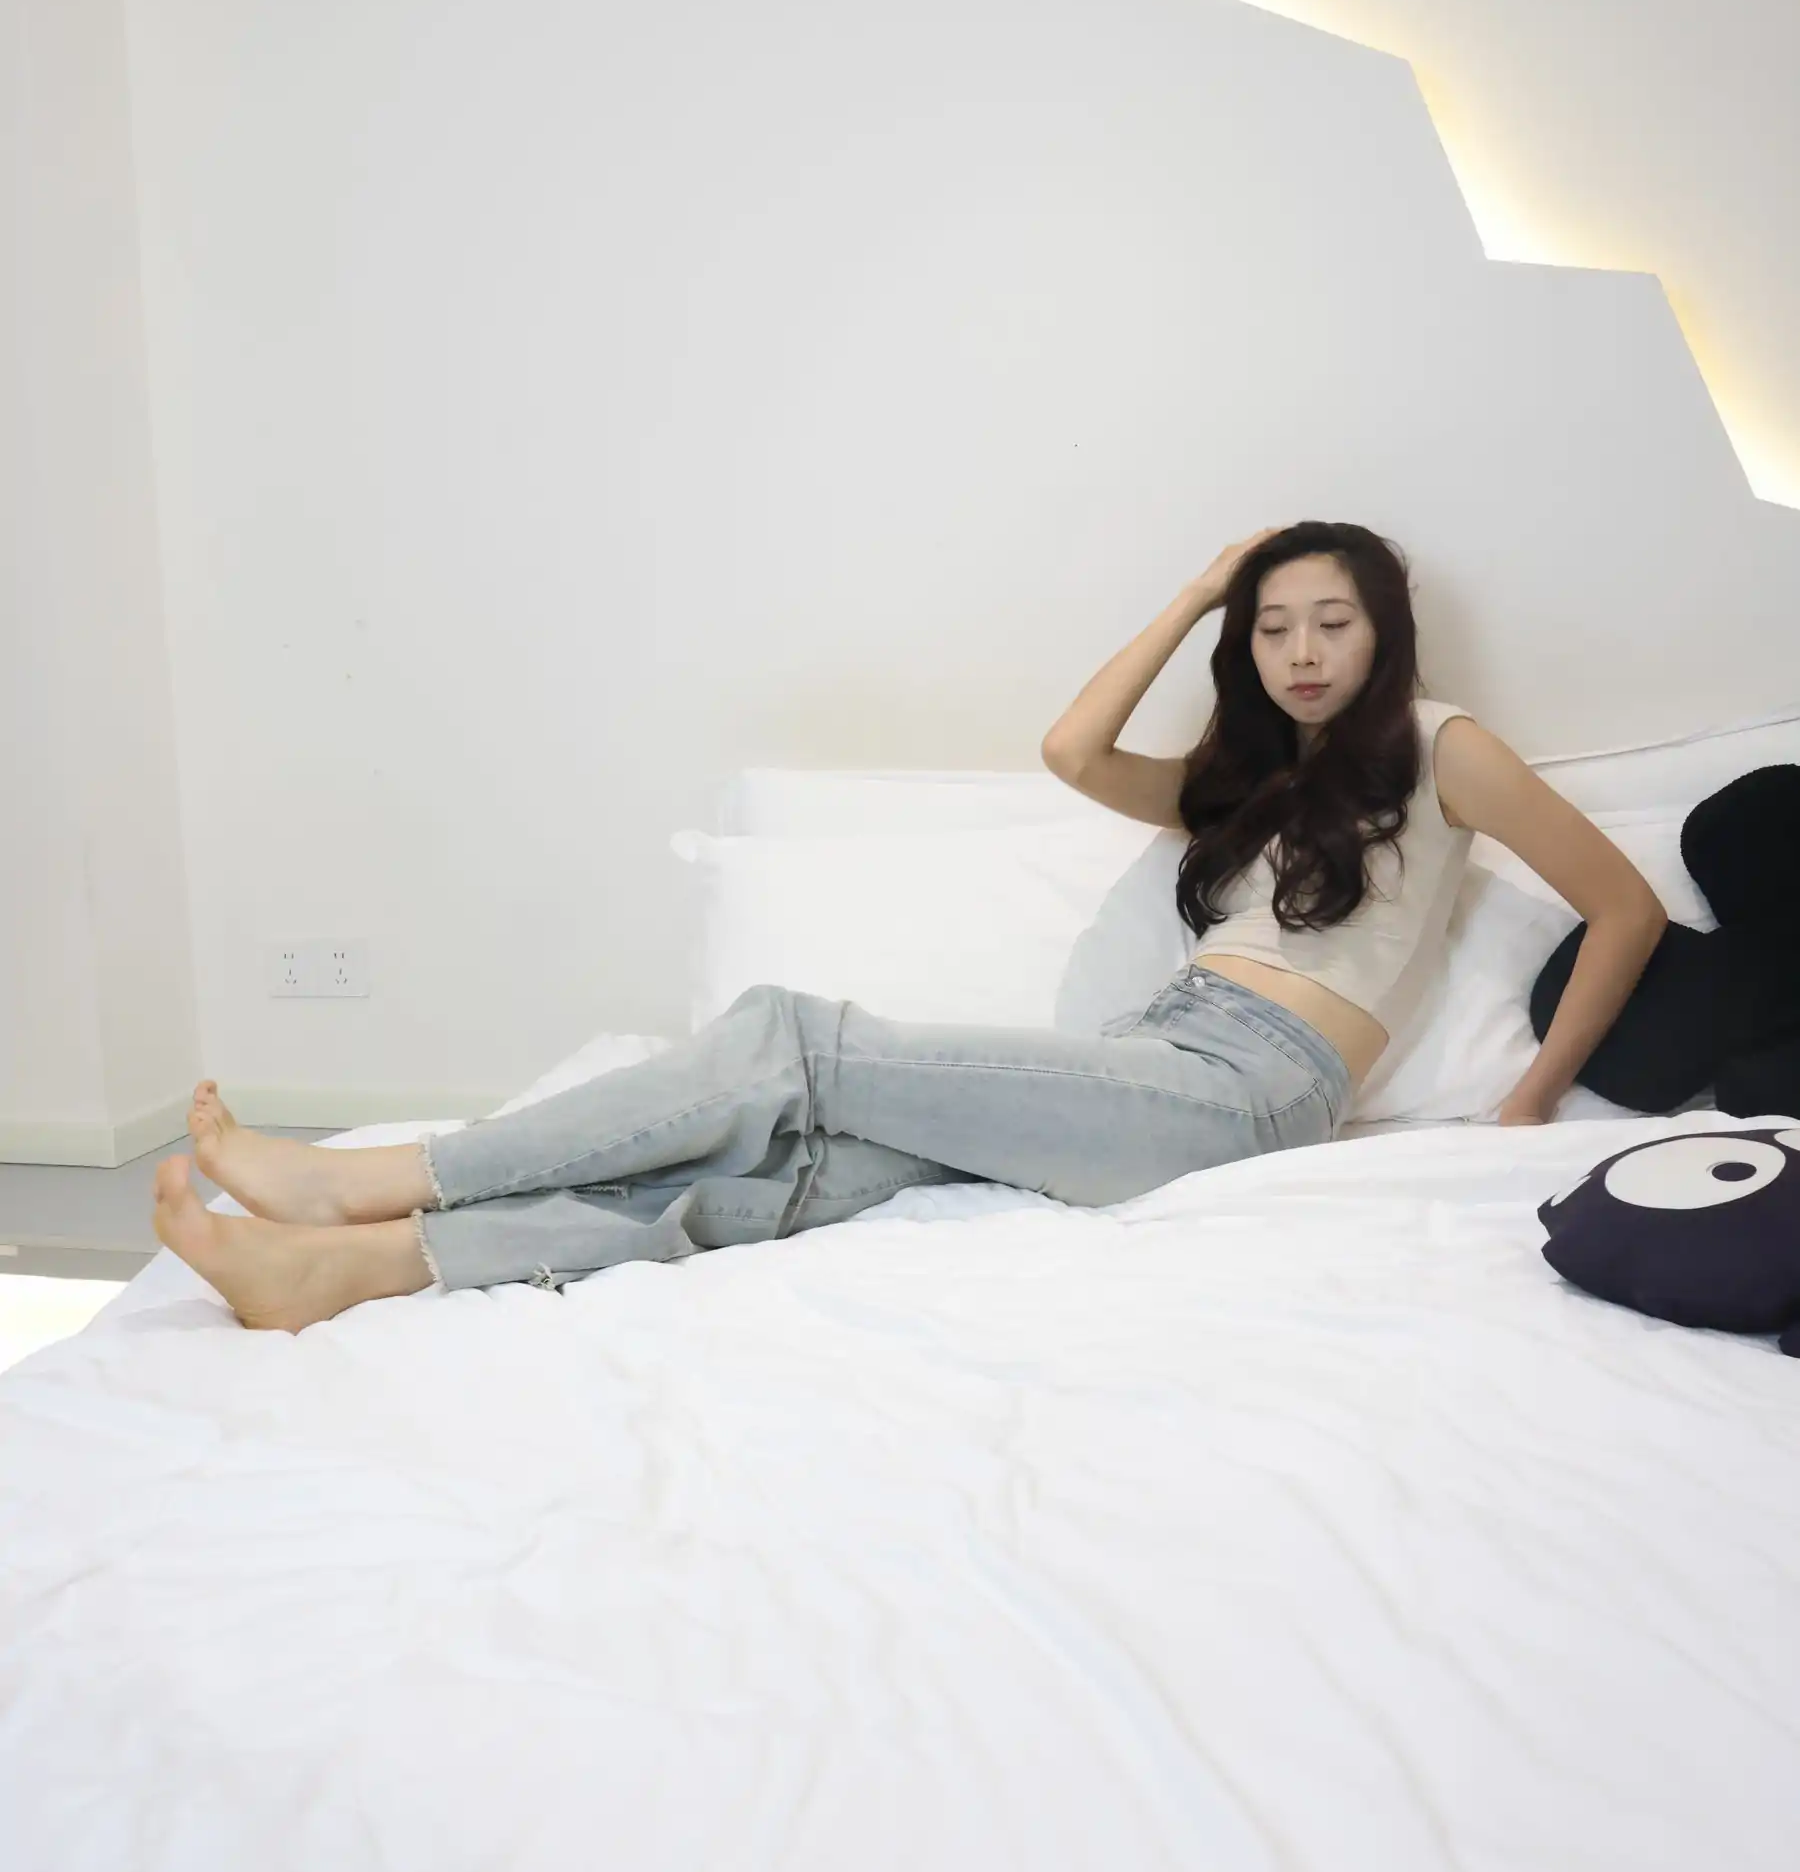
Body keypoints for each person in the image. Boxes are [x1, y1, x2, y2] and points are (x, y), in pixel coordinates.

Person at [151, 519, 1668, 1333]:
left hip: (1250, 1091)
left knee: (788, 1043)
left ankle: (372, 1178)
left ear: (1385, 626)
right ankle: (367, 1268)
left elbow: (1625, 905)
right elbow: (1071, 751)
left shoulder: (1446, 746)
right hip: (1161, 1057)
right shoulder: (1252, 783)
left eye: (1331, 619)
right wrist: (1197, 589)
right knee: (792, 1169)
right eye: (1271, 627)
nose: (1301, 649)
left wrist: (1530, 1097)